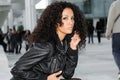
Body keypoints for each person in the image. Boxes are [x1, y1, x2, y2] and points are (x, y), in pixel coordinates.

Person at [10, 1, 86, 80]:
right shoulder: (46, 45)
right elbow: (17, 70)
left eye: (72, 18)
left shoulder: (65, 43)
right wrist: (45, 78)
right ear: (55, 21)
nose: (71, 22)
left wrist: (73, 49)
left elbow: (67, 74)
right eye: (65, 18)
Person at [105, 0, 120, 79]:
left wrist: (108, 32)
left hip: (117, 32)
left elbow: (110, 19)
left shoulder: (115, 4)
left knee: (116, 51)